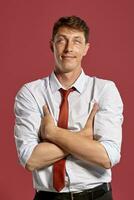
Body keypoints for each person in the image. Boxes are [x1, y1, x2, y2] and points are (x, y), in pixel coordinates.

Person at [14, 16, 123, 200]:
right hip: (48, 197)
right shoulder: (30, 93)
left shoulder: (105, 90)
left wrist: (52, 133)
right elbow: (30, 159)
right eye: (61, 40)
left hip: (97, 196)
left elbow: (107, 157)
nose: (69, 49)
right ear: (52, 45)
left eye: (77, 41)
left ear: (86, 49)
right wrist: (82, 138)